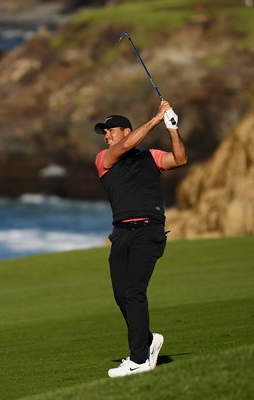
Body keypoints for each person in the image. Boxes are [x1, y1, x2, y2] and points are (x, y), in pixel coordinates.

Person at [94, 100, 187, 378]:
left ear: (126, 131)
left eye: (111, 130)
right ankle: (147, 341)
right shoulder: (104, 159)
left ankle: (139, 360)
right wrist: (156, 118)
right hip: (121, 233)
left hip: (149, 230)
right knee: (121, 295)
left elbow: (179, 159)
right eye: (104, 132)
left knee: (134, 292)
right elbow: (121, 149)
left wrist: (172, 128)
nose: (107, 135)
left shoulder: (151, 156)